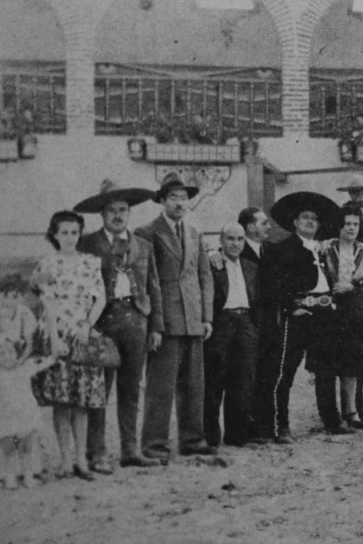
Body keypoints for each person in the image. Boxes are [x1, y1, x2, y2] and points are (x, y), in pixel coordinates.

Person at [74, 180, 163, 472]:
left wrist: (156, 327)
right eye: (111, 210)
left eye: (122, 210)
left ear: (129, 213)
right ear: (101, 214)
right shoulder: (87, 243)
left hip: (136, 321)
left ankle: (130, 450)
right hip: (102, 322)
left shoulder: (143, 246)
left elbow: (153, 287)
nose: (117, 215)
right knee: (100, 389)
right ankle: (97, 453)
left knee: (131, 390)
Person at [135, 174, 215, 462]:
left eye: (183, 198)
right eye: (173, 198)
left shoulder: (195, 234)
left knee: (194, 385)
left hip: (193, 319)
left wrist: (207, 317)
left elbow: (204, 277)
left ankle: (193, 440)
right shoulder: (147, 233)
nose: (180, 203)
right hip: (165, 320)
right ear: (162, 201)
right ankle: (154, 445)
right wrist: (154, 324)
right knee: (160, 386)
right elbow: (146, 281)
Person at [252, 191, 340, 443]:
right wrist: (291, 307)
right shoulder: (284, 249)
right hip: (298, 315)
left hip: (323, 314)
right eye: (305, 218)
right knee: (285, 372)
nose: (310, 222)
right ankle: (281, 427)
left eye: (314, 219)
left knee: (325, 369)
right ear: (295, 222)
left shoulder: (321, 251)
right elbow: (274, 284)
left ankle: (331, 421)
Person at [30, 211, 108, 480]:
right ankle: (64, 459)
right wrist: (54, 338)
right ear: (54, 234)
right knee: (61, 401)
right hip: (57, 333)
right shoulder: (47, 264)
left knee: (82, 401)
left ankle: (80, 460)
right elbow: (47, 303)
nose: (70, 238)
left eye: (74, 232)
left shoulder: (90, 262)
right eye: (64, 232)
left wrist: (87, 325)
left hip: (82, 334)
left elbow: (100, 298)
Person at [0, 275, 55, 489]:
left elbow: (28, 343)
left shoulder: (24, 313)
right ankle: (4, 473)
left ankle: (30, 470)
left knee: (25, 427)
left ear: (21, 296)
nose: (10, 300)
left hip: (18, 361)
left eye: (15, 296)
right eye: (5, 296)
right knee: (4, 428)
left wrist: (19, 360)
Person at [317, 206, 363, 432]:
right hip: (329, 308)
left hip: (354, 309)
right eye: (348, 224)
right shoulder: (325, 247)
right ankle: (331, 414)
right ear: (340, 226)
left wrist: (351, 285)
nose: (352, 228)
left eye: (356, 224)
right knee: (331, 360)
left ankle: (351, 410)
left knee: (352, 361)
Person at [204, 223, 260, 448]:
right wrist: (211, 255)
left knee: (243, 381)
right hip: (222, 323)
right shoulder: (212, 263)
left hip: (245, 322)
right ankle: (211, 436)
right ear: (221, 240)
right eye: (230, 239)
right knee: (215, 378)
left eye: (239, 239)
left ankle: (237, 435)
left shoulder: (250, 266)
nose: (235, 244)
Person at [337, 176, 363, 243]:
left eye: (359, 191)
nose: (356, 194)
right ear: (349, 193)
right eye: (353, 192)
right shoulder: (345, 209)